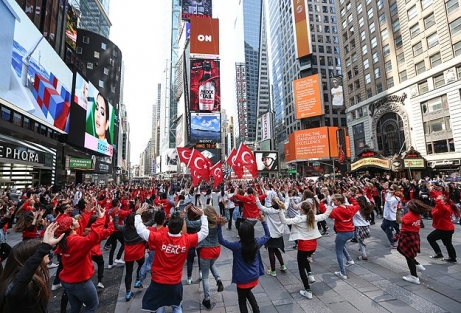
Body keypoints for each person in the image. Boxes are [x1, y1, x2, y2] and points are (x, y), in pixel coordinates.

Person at [134, 205, 209, 313]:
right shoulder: (186, 240)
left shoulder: (159, 237)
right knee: (177, 306)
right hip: (175, 282)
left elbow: (140, 230)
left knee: (159, 306)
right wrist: (203, 216)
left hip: (158, 281)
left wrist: (138, 214)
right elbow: (204, 232)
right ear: (181, 228)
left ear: (168, 226)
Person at [0, 223, 64, 312]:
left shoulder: (35, 278)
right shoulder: (22, 286)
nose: (47, 253)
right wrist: (43, 248)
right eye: (41, 252)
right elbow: (14, 291)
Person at [278, 201, 333, 299]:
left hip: (303, 245)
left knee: (301, 267)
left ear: (302, 210)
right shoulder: (314, 217)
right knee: (305, 259)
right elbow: (325, 215)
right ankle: (310, 275)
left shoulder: (299, 218)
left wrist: (280, 210)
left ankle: (307, 290)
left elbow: (284, 221)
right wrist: (330, 205)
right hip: (313, 246)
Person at [57, 204, 106, 313]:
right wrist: (101, 218)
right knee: (92, 305)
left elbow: (82, 226)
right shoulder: (77, 241)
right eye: (74, 220)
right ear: (71, 227)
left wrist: (88, 213)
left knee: (75, 307)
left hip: (67, 280)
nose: (77, 220)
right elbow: (93, 237)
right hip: (80, 281)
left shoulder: (65, 240)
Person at [217, 214, 270, 313]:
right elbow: (267, 235)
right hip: (254, 277)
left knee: (242, 301)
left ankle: (256, 310)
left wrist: (219, 225)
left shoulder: (236, 246)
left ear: (240, 233)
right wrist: (263, 221)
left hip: (242, 280)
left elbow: (221, 240)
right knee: (247, 292)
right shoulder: (257, 243)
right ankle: (256, 310)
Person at [396, 200, 432, 284]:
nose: (406, 205)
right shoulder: (416, 214)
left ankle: (414, 276)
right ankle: (417, 264)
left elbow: (399, 221)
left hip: (408, 236)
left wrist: (397, 213)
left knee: (409, 256)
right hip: (414, 236)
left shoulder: (409, 215)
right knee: (400, 249)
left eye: (408, 204)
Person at [114, 212, 146, 301]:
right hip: (139, 251)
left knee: (128, 272)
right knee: (141, 264)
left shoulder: (124, 228)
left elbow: (116, 226)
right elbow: (151, 222)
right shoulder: (139, 228)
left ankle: (128, 292)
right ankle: (138, 280)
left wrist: (116, 217)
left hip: (128, 252)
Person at [198, 206, 224, 309]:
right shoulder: (218, 222)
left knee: (205, 277)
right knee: (212, 264)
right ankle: (218, 279)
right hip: (216, 249)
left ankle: (207, 299)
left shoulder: (203, 224)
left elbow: (190, 223)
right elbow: (225, 218)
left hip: (206, 250)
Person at [329, 193, 360, 279]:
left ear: (339, 201)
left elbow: (328, 214)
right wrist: (350, 197)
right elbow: (357, 205)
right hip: (350, 232)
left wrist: (328, 205)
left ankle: (343, 272)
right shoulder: (350, 208)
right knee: (340, 245)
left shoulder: (337, 210)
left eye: (334, 200)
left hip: (342, 233)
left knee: (338, 252)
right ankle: (349, 260)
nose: (333, 201)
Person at [427, 194, 459, 263]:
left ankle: (438, 253)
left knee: (430, 238)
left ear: (445, 202)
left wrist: (438, 199)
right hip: (446, 228)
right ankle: (452, 257)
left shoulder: (446, 208)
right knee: (448, 244)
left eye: (442, 200)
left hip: (444, 229)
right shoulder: (442, 207)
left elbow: (440, 207)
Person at [354, 196, 374, 261]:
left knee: (360, 241)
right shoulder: (367, 207)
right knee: (360, 239)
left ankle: (364, 255)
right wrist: (364, 196)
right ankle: (363, 250)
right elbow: (368, 201)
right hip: (366, 225)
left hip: (359, 226)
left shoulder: (356, 209)